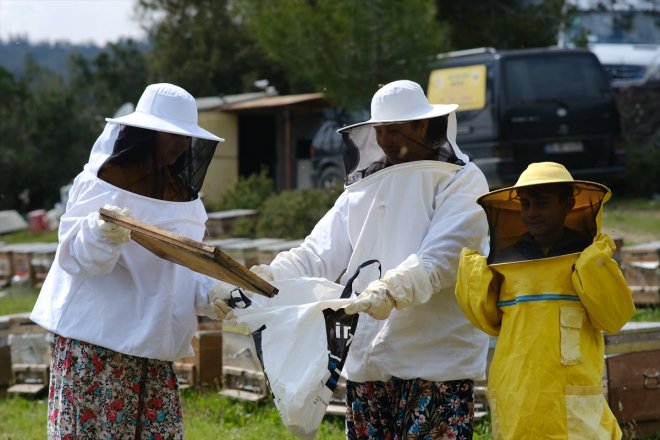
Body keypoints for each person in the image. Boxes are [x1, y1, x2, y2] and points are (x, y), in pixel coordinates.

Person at [214, 79, 491, 438]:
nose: (384, 140)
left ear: (423, 125)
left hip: (435, 361)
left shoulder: (463, 181)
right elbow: (316, 253)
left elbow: (443, 256)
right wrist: (262, 280)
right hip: (368, 363)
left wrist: (392, 289)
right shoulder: (362, 190)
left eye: (394, 129)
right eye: (379, 130)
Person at [30, 83, 229, 439]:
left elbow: (183, 270)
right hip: (97, 348)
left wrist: (214, 293)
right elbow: (77, 257)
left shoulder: (186, 201)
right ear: (145, 134)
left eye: (186, 137)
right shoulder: (98, 184)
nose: (182, 144)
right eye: (172, 135)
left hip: (151, 354)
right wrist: (100, 232)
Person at [455, 162, 636, 439]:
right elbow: (487, 320)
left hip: (571, 388)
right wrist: (475, 276)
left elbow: (614, 317)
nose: (531, 213)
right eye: (525, 204)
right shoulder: (507, 261)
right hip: (515, 386)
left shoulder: (586, 259)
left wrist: (593, 265)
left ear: (567, 204)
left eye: (541, 203)